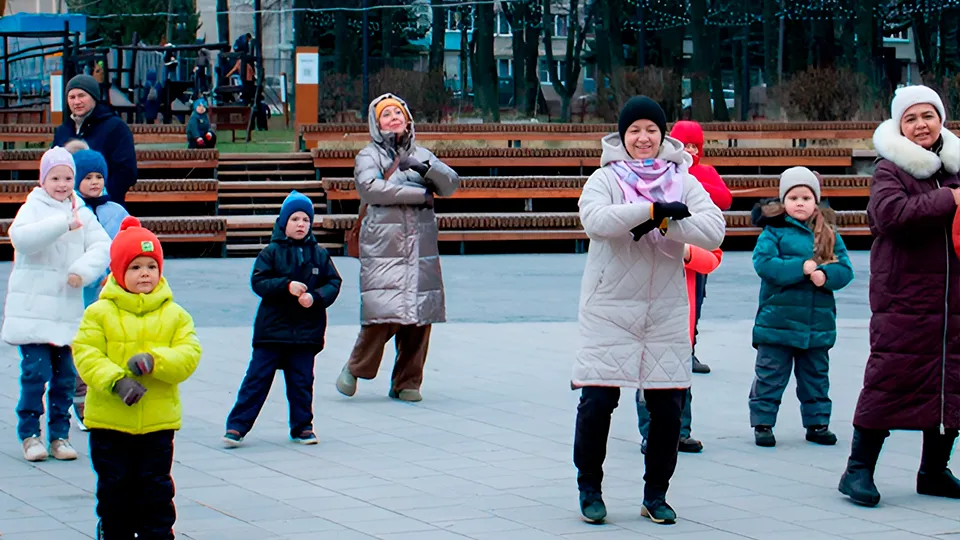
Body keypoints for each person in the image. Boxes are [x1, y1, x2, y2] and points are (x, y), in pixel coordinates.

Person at [571, 96, 725, 525]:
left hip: (664, 310)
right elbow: (596, 222)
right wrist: (652, 210)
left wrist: (667, 222)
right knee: (598, 402)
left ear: (663, 137)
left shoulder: (685, 179)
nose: (643, 138)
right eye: (635, 130)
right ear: (623, 136)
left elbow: (713, 230)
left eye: (652, 130)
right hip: (610, 308)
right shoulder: (606, 178)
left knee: (668, 407)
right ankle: (590, 488)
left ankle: (655, 495)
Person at [840, 85, 960, 506]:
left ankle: (933, 471)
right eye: (911, 118)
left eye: (927, 115)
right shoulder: (890, 169)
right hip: (904, 299)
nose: (921, 125)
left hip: (954, 301)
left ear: (940, 120)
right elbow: (888, 216)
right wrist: (949, 199)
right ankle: (857, 471)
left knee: (951, 383)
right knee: (888, 380)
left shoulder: (956, 167)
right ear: (899, 126)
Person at [74, 216, 202, 539]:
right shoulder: (99, 313)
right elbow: (87, 355)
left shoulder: (175, 314)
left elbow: (189, 355)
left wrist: (155, 361)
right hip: (110, 424)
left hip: (158, 425)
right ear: (118, 271)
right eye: (135, 267)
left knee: (156, 491)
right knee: (115, 492)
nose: (145, 273)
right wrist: (117, 380)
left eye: (150, 266)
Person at [335, 93, 459, 403]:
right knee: (383, 311)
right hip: (384, 245)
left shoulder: (423, 154)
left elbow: (450, 185)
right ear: (376, 123)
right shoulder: (368, 156)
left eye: (398, 113)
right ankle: (356, 366)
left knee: (420, 315)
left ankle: (408, 381)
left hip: (421, 246)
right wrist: (419, 195)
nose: (393, 118)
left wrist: (424, 168)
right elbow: (372, 188)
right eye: (386, 114)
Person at [1, 147, 111, 462]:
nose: (62, 184)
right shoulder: (33, 207)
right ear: (44, 179)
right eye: (55, 178)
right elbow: (21, 239)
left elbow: (102, 246)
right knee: (35, 373)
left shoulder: (81, 211)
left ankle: (59, 436)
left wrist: (82, 271)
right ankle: (29, 434)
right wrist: (62, 224)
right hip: (33, 312)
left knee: (64, 376)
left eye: (67, 178)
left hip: (65, 311)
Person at [223, 191, 342, 447]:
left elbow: (334, 282)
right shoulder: (271, 252)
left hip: (305, 332)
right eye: (295, 219)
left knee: (301, 383)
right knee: (256, 380)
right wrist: (286, 286)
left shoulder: (319, 254)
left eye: (305, 220)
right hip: (272, 331)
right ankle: (237, 426)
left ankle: (302, 427)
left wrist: (316, 297)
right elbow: (259, 281)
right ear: (283, 222)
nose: (300, 224)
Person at [748, 167, 854, 448]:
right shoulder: (774, 232)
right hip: (777, 322)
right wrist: (800, 267)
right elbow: (765, 265)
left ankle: (817, 422)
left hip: (816, 324)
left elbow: (845, 269)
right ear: (784, 201)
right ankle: (763, 421)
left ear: (815, 201)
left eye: (806, 197)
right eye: (793, 197)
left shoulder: (828, 234)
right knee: (770, 375)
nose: (799, 203)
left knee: (816, 377)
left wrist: (827, 276)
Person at [65, 140, 130, 430]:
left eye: (98, 177)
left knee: (105, 346)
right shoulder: (70, 212)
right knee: (80, 347)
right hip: (77, 294)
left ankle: (102, 396)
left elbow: (126, 246)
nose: (93, 183)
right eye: (87, 177)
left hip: (109, 292)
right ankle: (80, 401)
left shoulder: (115, 212)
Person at [635, 243, 722, 455]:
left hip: (683, 318)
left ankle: (680, 432)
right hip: (647, 312)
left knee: (681, 378)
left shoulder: (695, 217)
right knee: (649, 377)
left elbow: (713, 257)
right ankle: (651, 433)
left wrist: (687, 252)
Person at [668, 121, 733, 374]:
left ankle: (690, 349)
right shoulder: (666, 171)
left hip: (699, 246)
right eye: (685, 146)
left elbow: (725, 199)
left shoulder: (705, 172)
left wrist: (693, 185)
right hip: (673, 243)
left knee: (697, 300)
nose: (691, 151)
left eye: (695, 146)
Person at [52, 74, 138, 207]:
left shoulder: (115, 128)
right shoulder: (62, 131)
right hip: (65, 206)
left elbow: (126, 172)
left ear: (94, 97)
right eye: (72, 97)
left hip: (105, 205)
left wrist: (99, 195)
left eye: (82, 96)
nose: (76, 102)